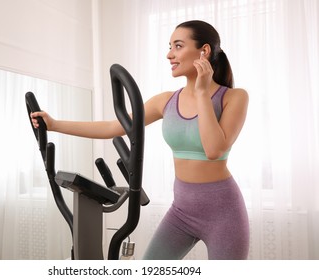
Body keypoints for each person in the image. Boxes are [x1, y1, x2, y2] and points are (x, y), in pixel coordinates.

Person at [31, 20, 249, 260]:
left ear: (204, 51)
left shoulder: (234, 98)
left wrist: (201, 93)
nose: (169, 54)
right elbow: (113, 126)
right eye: (170, 46)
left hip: (223, 213)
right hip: (182, 211)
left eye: (178, 46)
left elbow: (214, 150)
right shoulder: (166, 101)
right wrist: (55, 125)